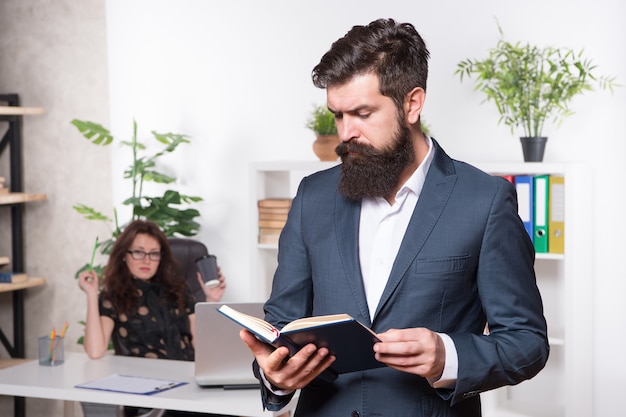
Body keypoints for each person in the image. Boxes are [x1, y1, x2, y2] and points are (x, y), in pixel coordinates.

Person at [239, 18, 549, 417]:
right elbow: (281, 328)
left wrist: (447, 356)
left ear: (412, 104)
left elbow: (526, 343)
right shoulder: (312, 197)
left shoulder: (485, 201)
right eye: (338, 115)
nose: (346, 132)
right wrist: (274, 378)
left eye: (363, 113)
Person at [78, 220, 228, 417]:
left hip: (189, 385)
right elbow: (96, 351)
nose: (146, 260)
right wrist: (91, 294)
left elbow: (201, 346)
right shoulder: (113, 298)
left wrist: (211, 300)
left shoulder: (178, 290)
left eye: (154, 253)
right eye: (138, 252)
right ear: (124, 255)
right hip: (150, 393)